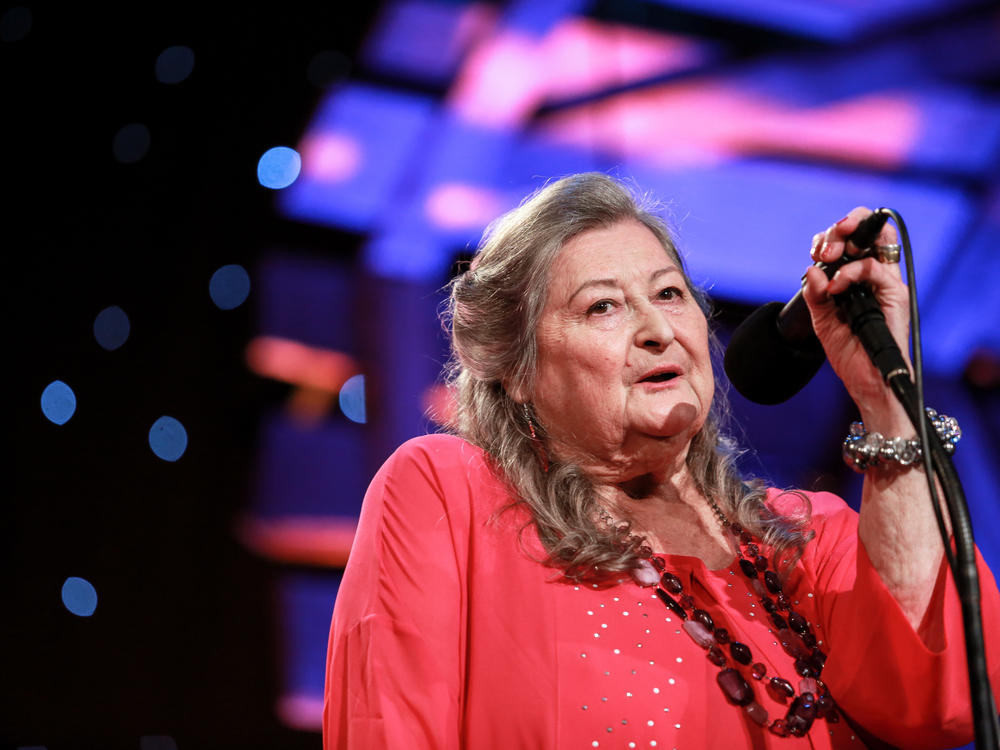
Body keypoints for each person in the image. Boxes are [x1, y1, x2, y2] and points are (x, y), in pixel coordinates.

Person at [323, 173, 1000, 749]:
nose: (657, 329)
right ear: (517, 369)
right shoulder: (450, 496)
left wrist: (886, 398)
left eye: (670, 294)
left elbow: (933, 697)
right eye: (603, 307)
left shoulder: (805, 541)